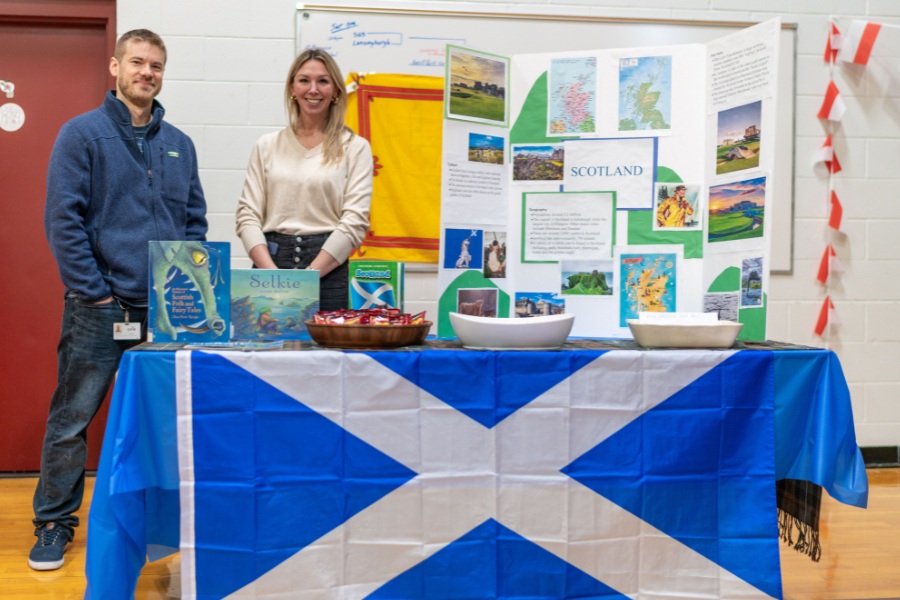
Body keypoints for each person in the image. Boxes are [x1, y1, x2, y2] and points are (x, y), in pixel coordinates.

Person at [31, 29, 207, 571]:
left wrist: (187, 297)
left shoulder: (179, 143)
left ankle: (168, 525)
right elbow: (63, 222)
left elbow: (194, 225)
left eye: (156, 65)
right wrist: (99, 296)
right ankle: (54, 524)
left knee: (169, 423)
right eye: (137, 62)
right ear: (115, 67)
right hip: (100, 312)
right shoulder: (81, 135)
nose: (146, 73)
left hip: (165, 317)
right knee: (71, 420)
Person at [235, 48, 373, 311]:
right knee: (266, 352)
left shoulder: (355, 147)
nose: (313, 89)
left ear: (335, 91)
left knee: (326, 352)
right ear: (292, 88)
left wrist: (307, 278)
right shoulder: (267, 145)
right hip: (269, 266)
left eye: (323, 81)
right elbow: (247, 215)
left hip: (328, 270)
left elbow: (354, 221)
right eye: (304, 80)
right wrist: (272, 275)